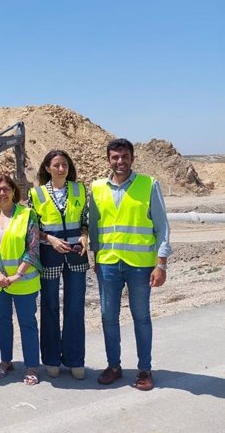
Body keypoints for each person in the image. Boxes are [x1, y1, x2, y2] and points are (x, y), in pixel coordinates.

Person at [89, 138, 171, 391]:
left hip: (140, 265)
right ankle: (114, 366)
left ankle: (144, 370)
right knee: (108, 317)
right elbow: (94, 227)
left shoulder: (148, 185)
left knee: (141, 317)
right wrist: (96, 258)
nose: (120, 161)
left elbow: (162, 227)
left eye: (124, 156)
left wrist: (161, 264)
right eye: (115, 157)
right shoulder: (97, 188)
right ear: (108, 160)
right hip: (108, 264)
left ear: (132, 158)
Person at [29, 150, 89, 380]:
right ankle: (52, 359)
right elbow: (33, 227)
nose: (61, 168)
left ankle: (75, 360)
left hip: (76, 255)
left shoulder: (80, 190)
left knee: (75, 307)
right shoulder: (36, 194)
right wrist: (50, 239)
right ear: (47, 168)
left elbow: (85, 219)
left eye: (64, 164)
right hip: (50, 255)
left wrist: (85, 236)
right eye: (56, 165)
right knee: (50, 306)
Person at [0, 173, 42, 385]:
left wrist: (17, 274)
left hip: (23, 281)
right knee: (3, 321)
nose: (2, 193)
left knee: (27, 323)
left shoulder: (27, 215)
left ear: (14, 191)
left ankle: (32, 366)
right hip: (0, 284)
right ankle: (5, 360)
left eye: (6, 189)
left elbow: (33, 248)